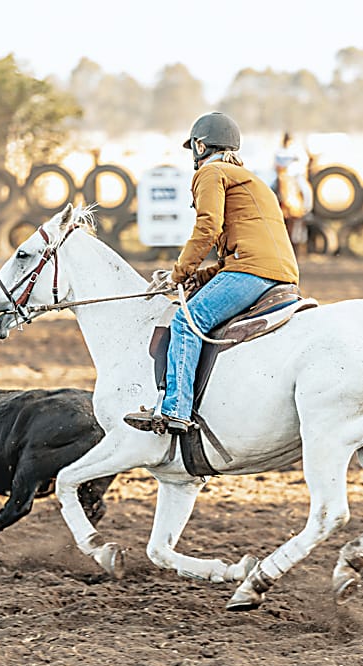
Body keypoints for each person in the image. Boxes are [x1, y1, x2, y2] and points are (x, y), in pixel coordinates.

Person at [124, 112, 300, 434]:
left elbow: (207, 228)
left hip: (251, 271)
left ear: (200, 146)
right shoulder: (252, 180)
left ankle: (175, 409)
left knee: (186, 321)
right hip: (281, 273)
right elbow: (238, 251)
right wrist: (200, 277)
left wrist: (179, 273)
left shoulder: (210, 172)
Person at [272, 132, 313, 258]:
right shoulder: (279, 151)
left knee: (305, 189)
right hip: (282, 175)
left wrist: (293, 168)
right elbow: (275, 164)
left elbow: (303, 163)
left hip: (295, 175)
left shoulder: (297, 151)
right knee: (271, 186)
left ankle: (307, 208)